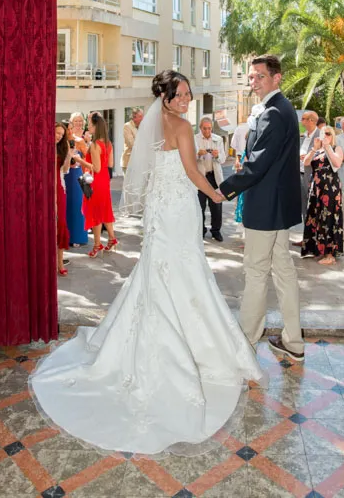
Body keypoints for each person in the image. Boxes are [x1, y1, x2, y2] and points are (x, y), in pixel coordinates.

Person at [30, 70, 264, 455]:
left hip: (160, 207)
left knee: (160, 273)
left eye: (190, 93)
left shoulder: (154, 124)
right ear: (168, 98)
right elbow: (191, 172)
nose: (188, 99)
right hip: (178, 210)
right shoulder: (183, 127)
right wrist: (219, 195)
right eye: (183, 94)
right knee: (187, 273)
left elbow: (152, 170)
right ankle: (197, 351)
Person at [217, 54, 304, 362]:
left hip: (266, 209)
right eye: (251, 77)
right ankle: (294, 341)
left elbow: (257, 166)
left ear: (276, 77)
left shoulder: (273, 113)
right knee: (282, 271)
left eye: (260, 76)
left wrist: (223, 190)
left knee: (255, 273)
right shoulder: (282, 108)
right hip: (278, 209)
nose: (253, 82)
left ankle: (246, 344)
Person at [300, 126, 344, 265]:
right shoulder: (317, 150)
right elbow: (306, 162)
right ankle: (317, 249)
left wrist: (327, 147)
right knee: (315, 217)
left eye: (328, 134)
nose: (325, 136)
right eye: (322, 133)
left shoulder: (336, 148)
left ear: (332, 136)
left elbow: (337, 163)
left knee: (329, 218)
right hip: (316, 189)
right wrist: (314, 148)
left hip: (330, 188)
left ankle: (330, 254)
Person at [84, 113, 118, 256]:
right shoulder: (108, 143)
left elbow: (96, 168)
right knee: (105, 210)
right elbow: (110, 164)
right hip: (104, 180)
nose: (88, 127)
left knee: (96, 212)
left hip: (96, 180)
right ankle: (111, 238)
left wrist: (80, 161)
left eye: (90, 125)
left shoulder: (95, 144)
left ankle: (97, 244)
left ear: (95, 126)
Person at [195, 116, 227, 241]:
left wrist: (217, 155)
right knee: (199, 205)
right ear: (200, 128)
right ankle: (201, 230)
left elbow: (223, 159)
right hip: (201, 177)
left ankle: (216, 231)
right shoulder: (194, 139)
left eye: (209, 129)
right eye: (204, 129)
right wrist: (198, 154)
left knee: (216, 205)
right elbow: (189, 159)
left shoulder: (218, 139)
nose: (207, 131)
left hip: (214, 176)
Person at [293, 110, 321, 247]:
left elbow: (324, 155)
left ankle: (317, 240)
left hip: (313, 176)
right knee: (304, 208)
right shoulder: (303, 136)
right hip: (300, 175)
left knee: (315, 208)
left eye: (303, 119)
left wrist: (310, 157)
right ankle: (307, 238)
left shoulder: (320, 136)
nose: (302, 121)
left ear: (311, 121)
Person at [64, 117, 89, 246]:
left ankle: (77, 236)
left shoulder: (79, 141)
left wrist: (79, 161)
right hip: (64, 175)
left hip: (77, 175)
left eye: (70, 128)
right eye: (67, 128)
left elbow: (87, 158)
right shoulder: (60, 142)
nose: (69, 131)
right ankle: (66, 237)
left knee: (77, 205)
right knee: (66, 206)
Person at [55, 123, 73, 277]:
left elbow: (66, 170)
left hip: (59, 187)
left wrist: (68, 154)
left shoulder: (62, 147)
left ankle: (60, 262)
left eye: (61, 134)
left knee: (61, 223)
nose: (59, 136)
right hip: (44, 188)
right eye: (57, 133)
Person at [120, 107, 143, 175]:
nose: (143, 118)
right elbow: (131, 144)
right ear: (134, 117)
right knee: (129, 185)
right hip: (129, 163)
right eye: (140, 116)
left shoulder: (142, 126)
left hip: (139, 163)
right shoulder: (127, 126)